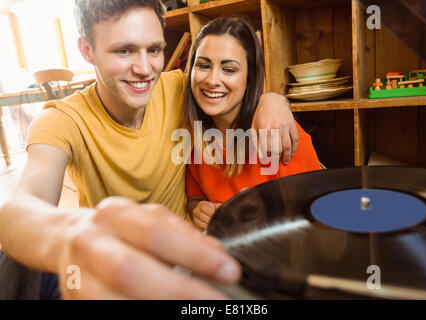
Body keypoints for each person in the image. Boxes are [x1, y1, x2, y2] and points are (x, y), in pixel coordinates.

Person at [0, 0, 299, 299]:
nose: (145, 70)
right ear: (87, 50)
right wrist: (71, 235)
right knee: (12, 265)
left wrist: (273, 100)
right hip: (113, 268)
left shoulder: (178, 88)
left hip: (186, 260)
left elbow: (230, 85)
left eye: (154, 49)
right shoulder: (61, 120)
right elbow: (21, 207)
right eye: (124, 50)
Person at [183, 17, 321, 231]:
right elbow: (194, 199)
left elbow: (315, 218)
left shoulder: (280, 133)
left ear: (250, 77)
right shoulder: (192, 138)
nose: (212, 80)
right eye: (203, 65)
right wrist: (198, 209)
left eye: (229, 69)